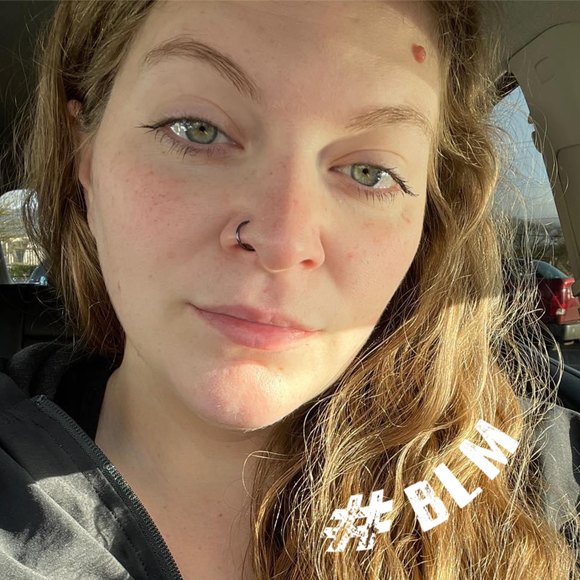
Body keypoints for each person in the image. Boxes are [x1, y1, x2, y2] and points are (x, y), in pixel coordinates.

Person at [0, 0, 578, 578]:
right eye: (198, 130)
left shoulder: (541, 478)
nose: (282, 240)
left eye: (370, 172)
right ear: (85, 156)